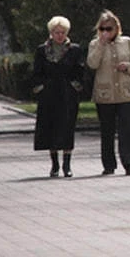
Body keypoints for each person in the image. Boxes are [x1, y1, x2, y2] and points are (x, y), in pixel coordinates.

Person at [86, 10, 130, 176]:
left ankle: (128, 163)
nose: (105, 32)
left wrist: (128, 67)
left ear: (116, 28)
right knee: (107, 130)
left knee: (126, 129)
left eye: (109, 29)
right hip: (105, 95)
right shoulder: (94, 44)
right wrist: (101, 45)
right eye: (102, 29)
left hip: (125, 93)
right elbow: (92, 64)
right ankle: (108, 165)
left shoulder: (127, 42)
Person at [32, 16, 84, 178]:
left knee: (67, 127)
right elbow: (36, 72)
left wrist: (76, 87)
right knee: (50, 127)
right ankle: (54, 164)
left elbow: (80, 71)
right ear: (51, 33)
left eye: (62, 32)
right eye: (56, 32)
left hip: (67, 94)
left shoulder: (74, 50)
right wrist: (40, 88)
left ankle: (67, 164)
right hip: (49, 94)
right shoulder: (42, 50)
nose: (60, 35)